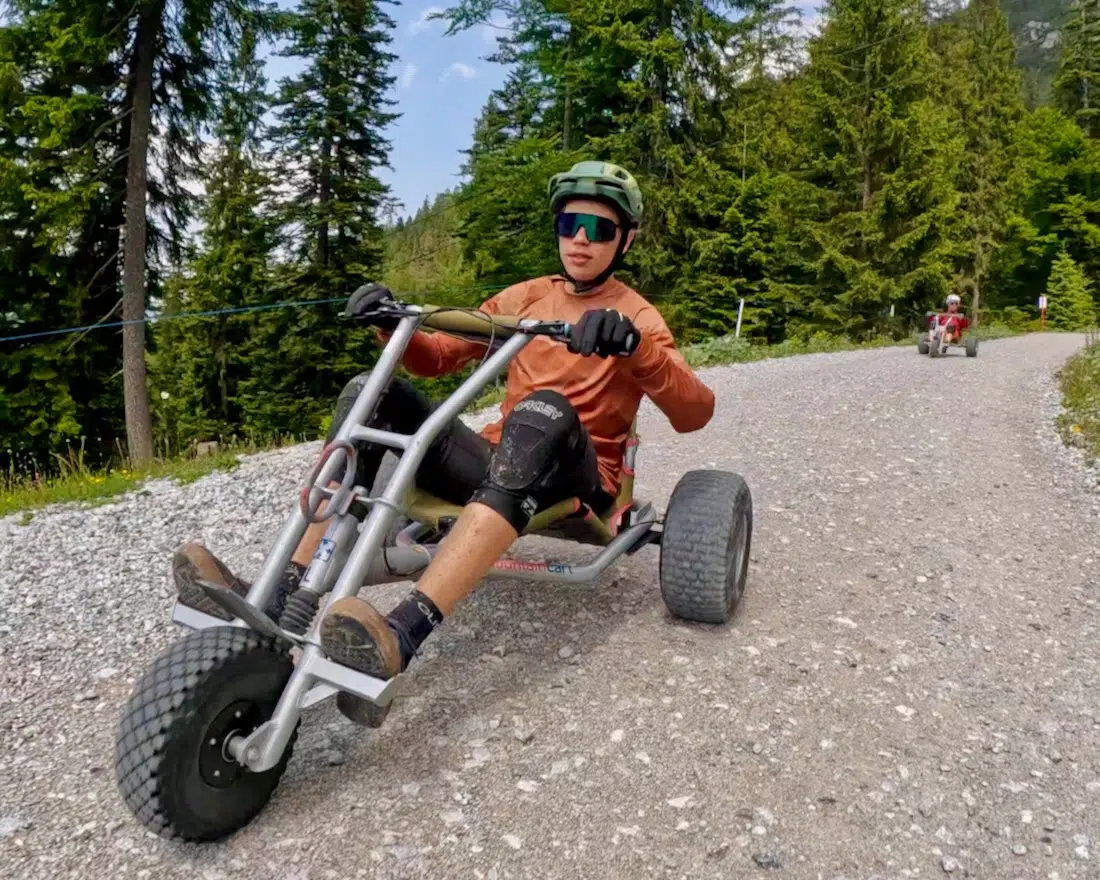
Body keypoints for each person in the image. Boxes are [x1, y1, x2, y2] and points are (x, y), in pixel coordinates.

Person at [171, 160, 716, 727]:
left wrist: (636, 349)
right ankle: (280, 592)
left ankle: (403, 634)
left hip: (578, 478)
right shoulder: (528, 297)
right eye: (569, 224)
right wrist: (389, 324)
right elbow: (437, 356)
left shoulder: (637, 315)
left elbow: (695, 411)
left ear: (625, 240)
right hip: (504, 463)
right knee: (370, 393)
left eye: (599, 229)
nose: (581, 238)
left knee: (544, 408)